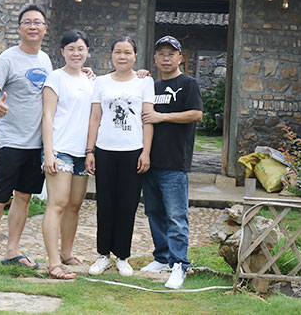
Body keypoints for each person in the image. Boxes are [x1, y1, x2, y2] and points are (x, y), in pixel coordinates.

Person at [0, 4, 52, 279]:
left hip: (36, 143)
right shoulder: (8, 58)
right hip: (12, 141)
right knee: (0, 196)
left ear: (45, 29)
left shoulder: (46, 60)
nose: (32, 26)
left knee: (24, 196)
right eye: (27, 22)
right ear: (19, 28)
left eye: (37, 22)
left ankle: (11, 251)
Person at [86, 36, 155, 277]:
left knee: (127, 205)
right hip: (104, 150)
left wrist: (146, 152)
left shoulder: (145, 82)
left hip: (133, 151)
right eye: (118, 52)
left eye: (127, 52)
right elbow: (95, 118)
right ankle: (103, 255)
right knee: (104, 204)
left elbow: (147, 119)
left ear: (135, 56)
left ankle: (122, 256)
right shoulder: (101, 82)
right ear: (111, 55)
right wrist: (90, 151)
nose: (122, 56)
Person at [140, 36, 203, 289]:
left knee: (176, 216)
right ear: (155, 59)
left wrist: (162, 117)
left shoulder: (188, 83)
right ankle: (162, 257)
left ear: (180, 58)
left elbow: (196, 114)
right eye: (161, 54)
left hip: (175, 162)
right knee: (154, 212)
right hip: (149, 161)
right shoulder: (151, 86)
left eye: (171, 54)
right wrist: (138, 76)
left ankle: (179, 264)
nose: (166, 58)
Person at [40, 30, 93, 280]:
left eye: (80, 48)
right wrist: (49, 153)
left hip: (82, 152)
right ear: (62, 51)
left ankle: (67, 254)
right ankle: (53, 264)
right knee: (57, 204)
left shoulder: (90, 80)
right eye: (71, 48)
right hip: (60, 150)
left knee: (74, 205)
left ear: (87, 52)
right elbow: (47, 116)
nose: (76, 53)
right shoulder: (55, 78)